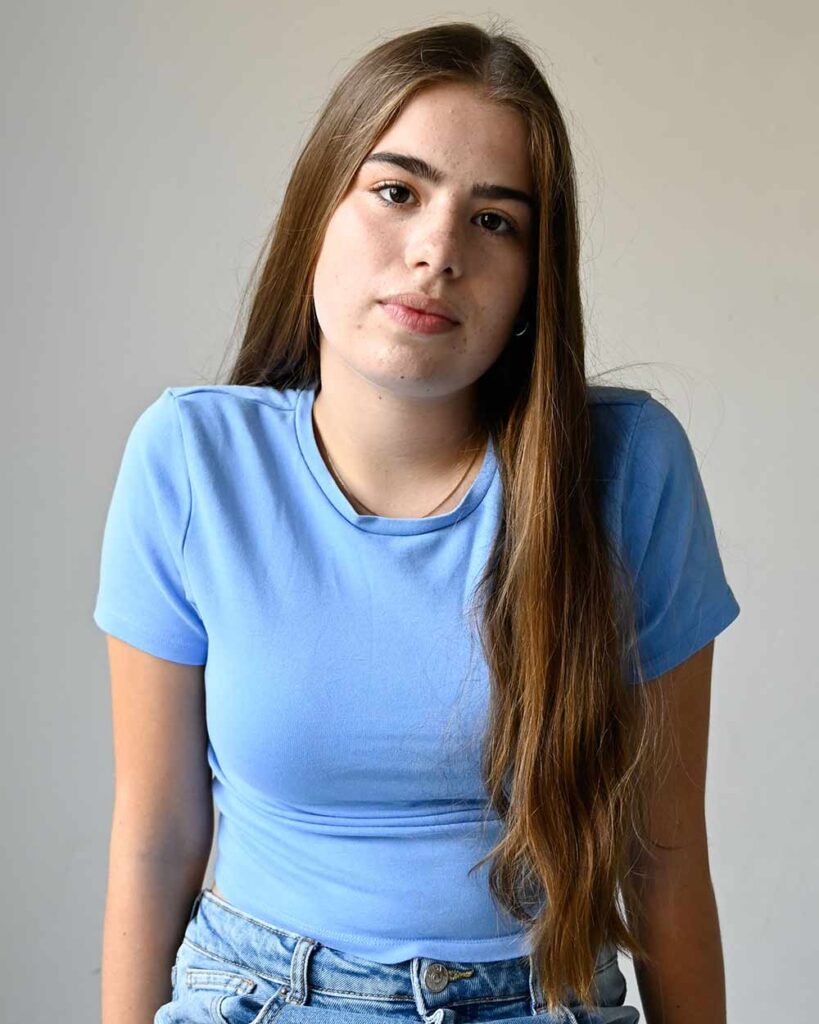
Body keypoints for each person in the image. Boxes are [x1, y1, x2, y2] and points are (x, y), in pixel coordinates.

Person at [92, 20, 741, 1024]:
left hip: (544, 1000)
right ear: (317, 210)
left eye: (495, 220)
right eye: (397, 192)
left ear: (532, 280)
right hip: (261, 998)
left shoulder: (625, 470)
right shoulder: (191, 461)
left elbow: (664, 855)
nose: (438, 251)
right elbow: (155, 839)